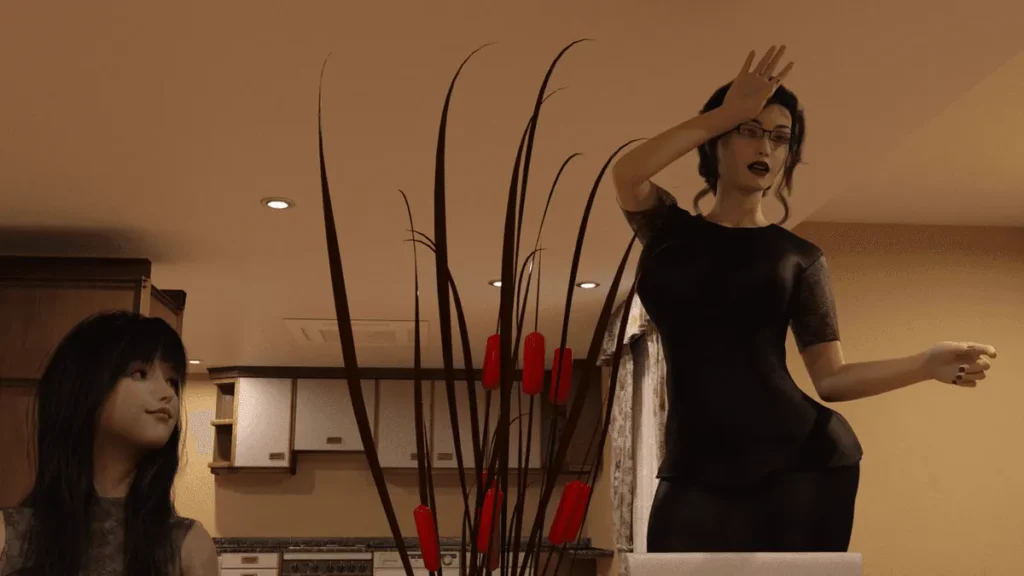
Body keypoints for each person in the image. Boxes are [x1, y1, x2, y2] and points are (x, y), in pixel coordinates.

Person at [612, 45, 998, 552]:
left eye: (780, 137)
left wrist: (924, 364)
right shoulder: (668, 232)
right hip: (692, 466)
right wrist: (725, 112)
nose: (766, 147)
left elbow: (831, 380)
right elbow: (627, 173)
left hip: (802, 463)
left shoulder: (798, 257)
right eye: (750, 130)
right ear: (715, 142)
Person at [0, 311, 218, 575]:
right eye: (139, 373)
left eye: (172, 381)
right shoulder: (9, 537)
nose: (167, 394)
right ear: (84, 385)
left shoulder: (188, 547)